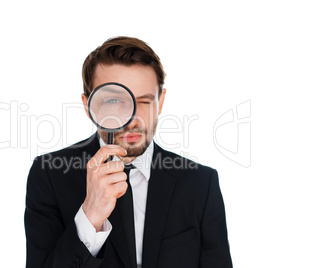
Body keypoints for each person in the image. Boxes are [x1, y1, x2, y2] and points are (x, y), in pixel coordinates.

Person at [24, 36, 232, 268]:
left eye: (143, 101)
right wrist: (90, 217)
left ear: (161, 102)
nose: (131, 119)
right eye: (114, 101)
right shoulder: (49, 176)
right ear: (88, 106)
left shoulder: (201, 184)